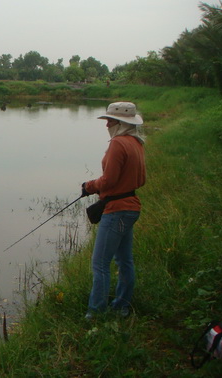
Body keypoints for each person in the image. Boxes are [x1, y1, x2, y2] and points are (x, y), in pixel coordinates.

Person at [81, 101, 146, 319]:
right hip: (131, 207)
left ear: (120, 122)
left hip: (116, 210)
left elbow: (108, 180)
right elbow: (141, 179)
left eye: (110, 120)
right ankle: (122, 307)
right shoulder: (137, 142)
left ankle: (96, 312)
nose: (106, 124)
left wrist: (89, 186)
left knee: (100, 264)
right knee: (124, 261)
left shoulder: (118, 143)